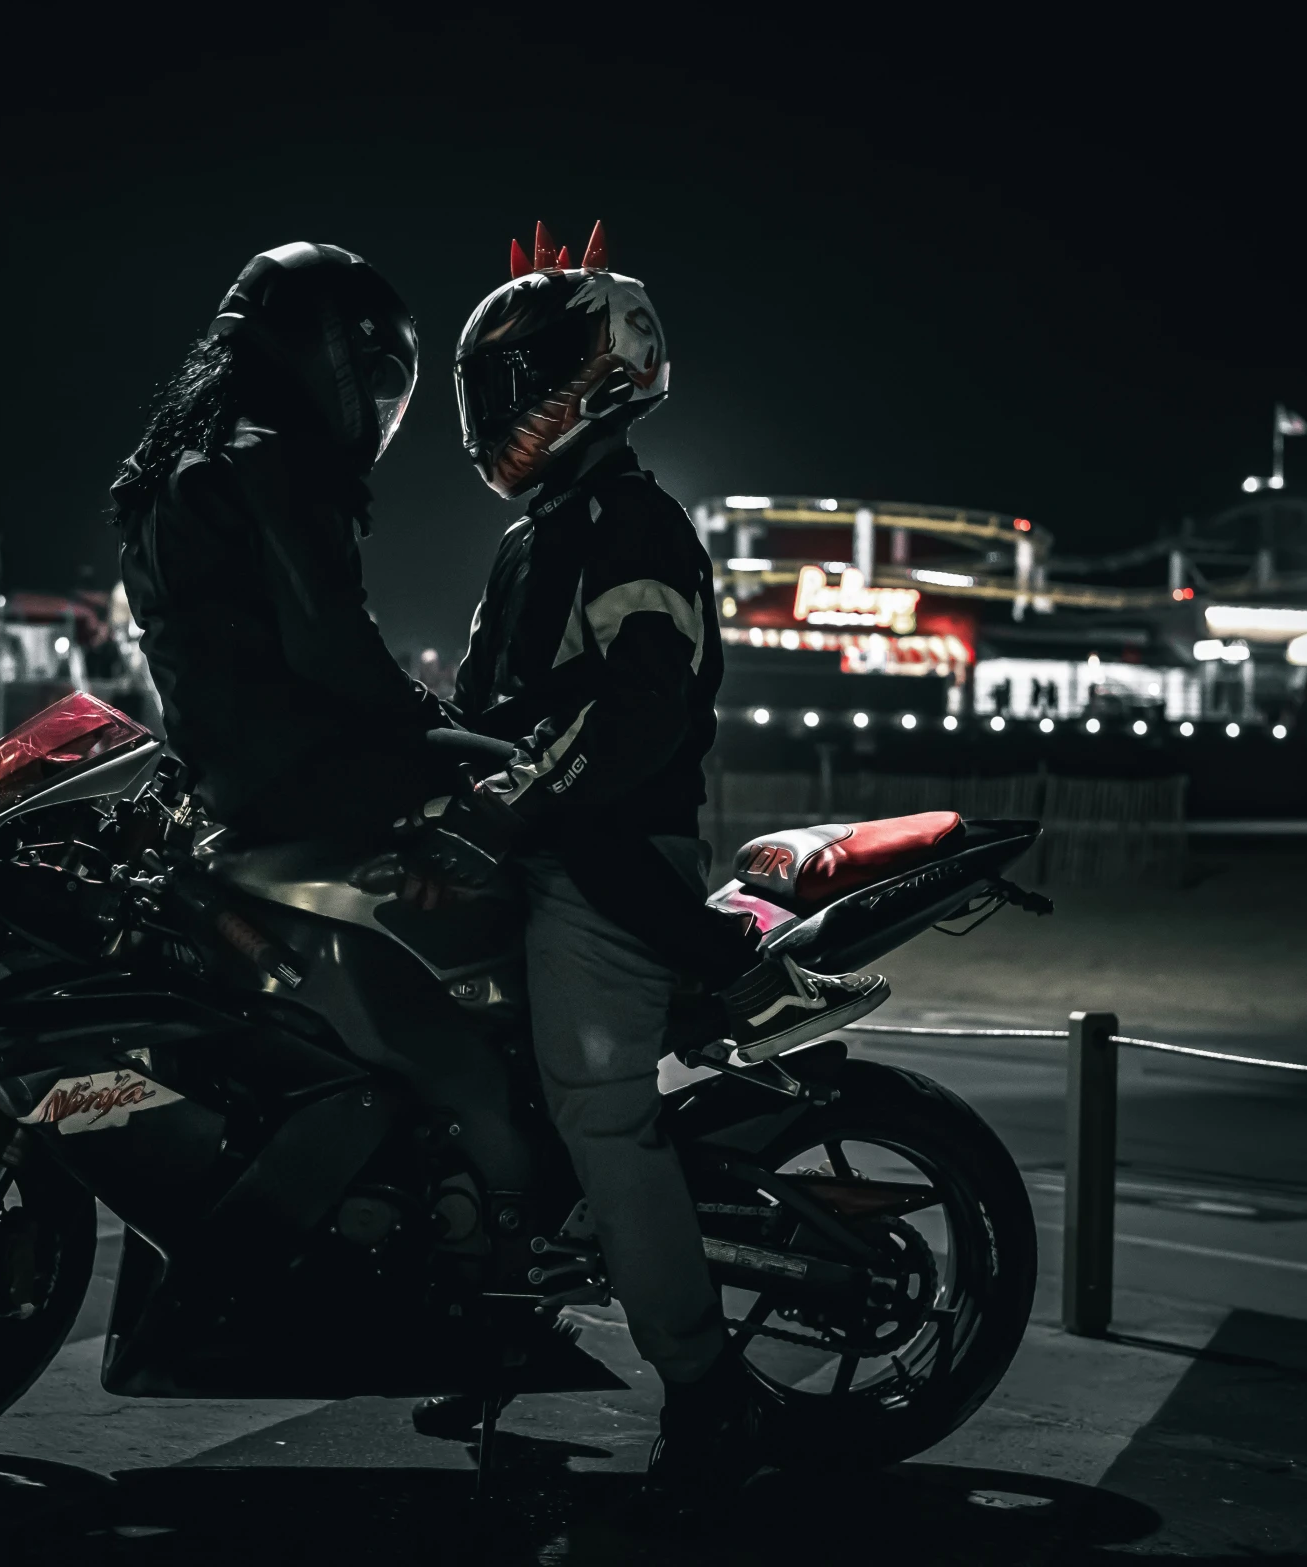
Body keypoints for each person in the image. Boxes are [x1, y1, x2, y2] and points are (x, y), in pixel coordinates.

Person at [409, 222, 886, 1492]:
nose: (494, 412)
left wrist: (509, 803)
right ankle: (496, 1313)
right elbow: (476, 711)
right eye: (486, 389)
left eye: (518, 382)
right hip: (532, 844)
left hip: (606, 857)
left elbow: (635, 715)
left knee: (598, 1111)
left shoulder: (632, 523)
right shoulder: (539, 533)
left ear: (597, 374)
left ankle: (706, 1387)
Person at [111, 242, 455, 848]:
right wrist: (432, 714)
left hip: (231, 786)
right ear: (342, 353)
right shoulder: (276, 459)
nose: (379, 412)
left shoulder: (175, 465)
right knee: (522, 792)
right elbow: (331, 642)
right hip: (310, 776)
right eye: (378, 382)